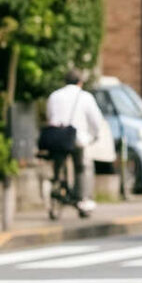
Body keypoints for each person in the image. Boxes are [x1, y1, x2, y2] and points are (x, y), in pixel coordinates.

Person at [39, 68, 113, 215]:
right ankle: (83, 199)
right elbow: (96, 121)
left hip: (55, 138)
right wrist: (95, 136)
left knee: (58, 162)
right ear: (80, 82)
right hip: (76, 139)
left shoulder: (55, 95)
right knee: (83, 166)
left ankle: (55, 183)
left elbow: (49, 115)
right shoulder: (85, 97)